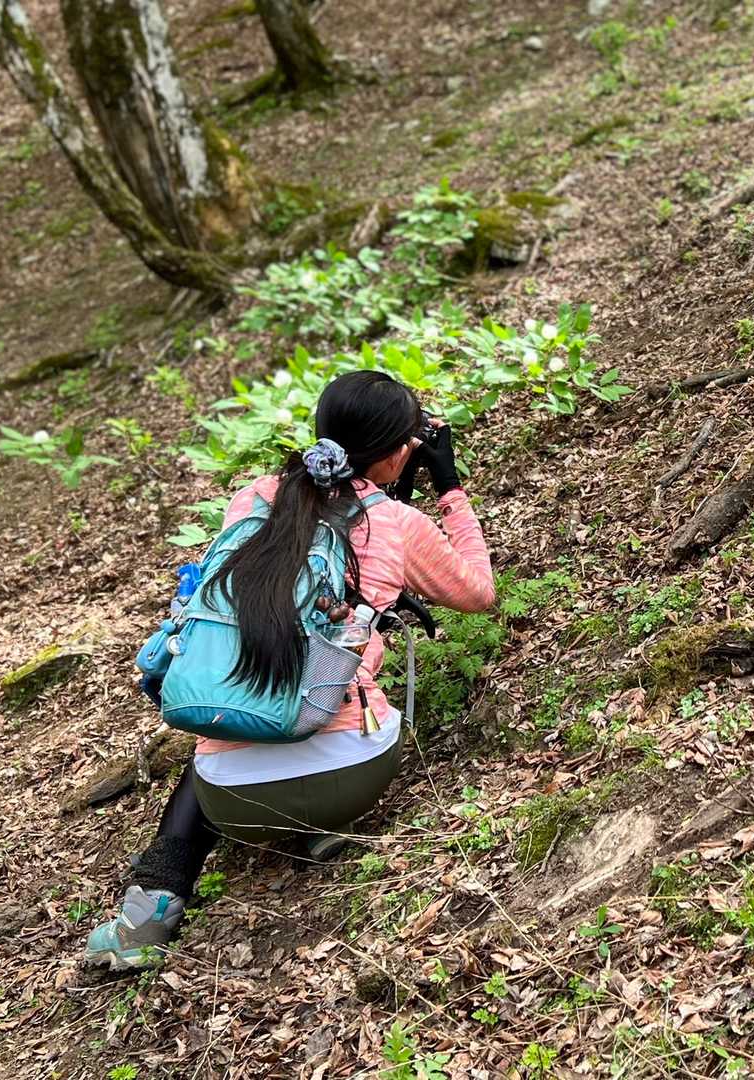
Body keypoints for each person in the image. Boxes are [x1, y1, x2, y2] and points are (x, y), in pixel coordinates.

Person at [85, 371, 494, 970]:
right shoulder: (397, 523)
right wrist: (449, 485)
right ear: (397, 452)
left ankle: (148, 914)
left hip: (231, 797)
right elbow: (479, 592)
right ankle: (324, 825)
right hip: (353, 774)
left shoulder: (254, 499)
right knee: (337, 686)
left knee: (220, 736)